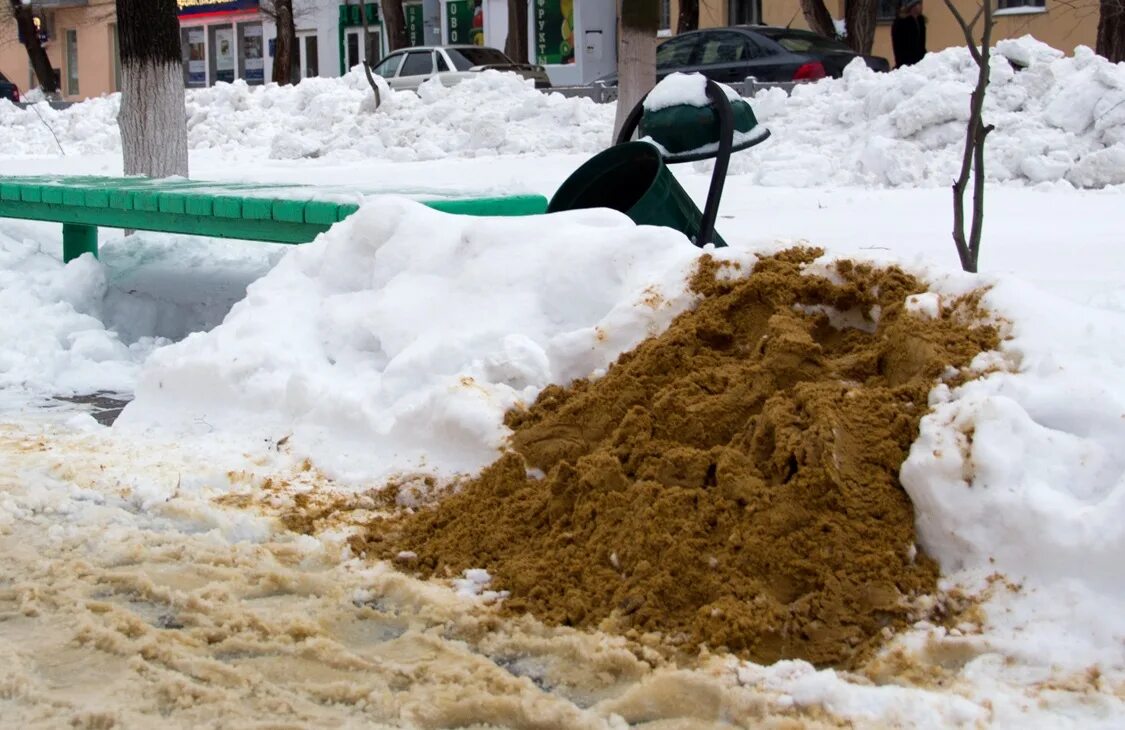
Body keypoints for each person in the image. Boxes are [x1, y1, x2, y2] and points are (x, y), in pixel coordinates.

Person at [891, 0, 927, 68]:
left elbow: (921, 44)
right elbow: (901, 45)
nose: (922, 7)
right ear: (912, 7)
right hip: (906, 63)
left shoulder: (920, 21)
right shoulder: (902, 23)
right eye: (919, 4)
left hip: (920, 62)